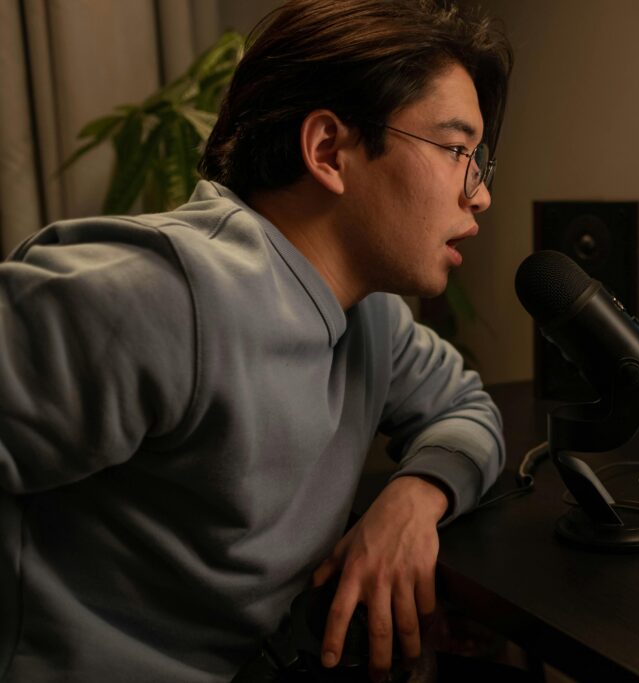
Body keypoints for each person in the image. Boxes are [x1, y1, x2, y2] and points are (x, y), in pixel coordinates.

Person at [0, 0, 513, 680]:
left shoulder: (372, 317)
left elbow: (468, 408)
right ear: (329, 149)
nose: (478, 195)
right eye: (456, 151)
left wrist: (415, 496)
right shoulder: (161, 295)